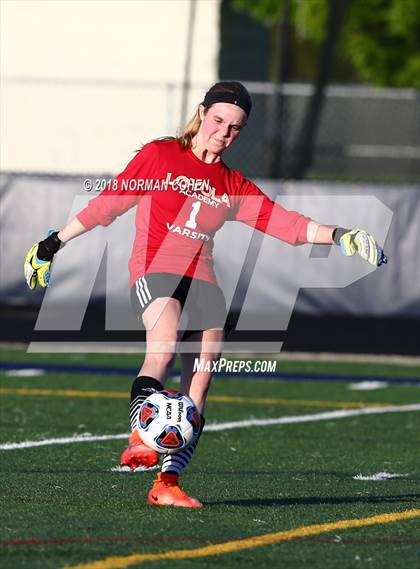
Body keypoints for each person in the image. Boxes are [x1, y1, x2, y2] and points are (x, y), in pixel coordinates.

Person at [24, 81, 387, 508]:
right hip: (155, 268)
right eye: (217, 120)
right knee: (163, 346)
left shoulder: (232, 183)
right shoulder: (161, 156)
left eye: (235, 127)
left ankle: (167, 483)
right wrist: (53, 244)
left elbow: (285, 225)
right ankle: (140, 436)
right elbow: (108, 205)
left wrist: (342, 236)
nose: (224, 132)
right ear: (202, 113)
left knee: (199, 383)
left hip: (203, 278)